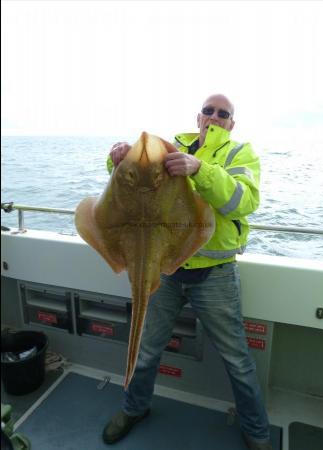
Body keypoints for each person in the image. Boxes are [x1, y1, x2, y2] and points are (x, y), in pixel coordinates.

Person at [103, 94, 273, 450]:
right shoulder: (169, 147)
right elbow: (133, 185)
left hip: (215, 273)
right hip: (164, 268)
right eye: (208, 111)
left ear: (231, 122)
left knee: (237, 359)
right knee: (147, 349)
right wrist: (115, 158)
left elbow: (245, 201)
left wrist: (200, 169)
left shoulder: (239, 153)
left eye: (222, 113)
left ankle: (257, 432)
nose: (214, 116)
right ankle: (134, 408)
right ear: (198, 116)